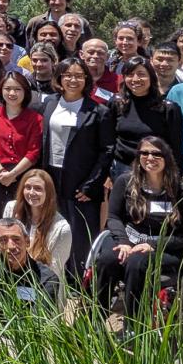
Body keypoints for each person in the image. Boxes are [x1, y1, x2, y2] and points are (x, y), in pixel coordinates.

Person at [92, 136, 183, 322]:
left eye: (156, 154)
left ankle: (135, 322)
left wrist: (151, 244)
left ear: (167, 157)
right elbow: (113, 217)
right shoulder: (125, 182)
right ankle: (95, 318)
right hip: (130, 239)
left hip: (169, 245)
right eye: (144, 153)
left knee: (136, 263)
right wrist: (123, 242)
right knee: (107, 259)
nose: (150, 158)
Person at [41, 58, 114, 275]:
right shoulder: (50, 103)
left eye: (79, 76)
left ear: (86, 79)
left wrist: (92, 184)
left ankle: (80, 283)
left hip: (82, 180)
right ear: (59, 78)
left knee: (81, 234)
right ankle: (55, 277)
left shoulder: (99, 111)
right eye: (68, 75)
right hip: (53, 175)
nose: (73, 80)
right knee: (54, 227)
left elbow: (107, 150)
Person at [0, 71, 44, 221]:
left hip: (22, 174)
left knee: (22, 216)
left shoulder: (35, 119)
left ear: (25, 92)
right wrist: (2, 171)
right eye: (7, 88)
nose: (12, 93)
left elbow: (33, 152)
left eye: (17, 89)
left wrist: (12, 174)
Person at [110, 58, 183, 177]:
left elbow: (176, 148)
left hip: (156, 170)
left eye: (141, 74)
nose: (135, 79)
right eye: (130, 74)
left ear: (151, 77)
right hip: (121, 169)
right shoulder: (117, 103)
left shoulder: (168, 108)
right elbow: (109, 141)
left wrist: (176, 177)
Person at [1, 168, 72, 282]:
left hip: (42, 286)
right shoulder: (11, 209)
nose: (31, 192)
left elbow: (53, 272)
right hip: (10, 281)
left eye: (38, 188)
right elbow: (2, 248)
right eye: (28, 187)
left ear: (48, 193)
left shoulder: (62, 228)